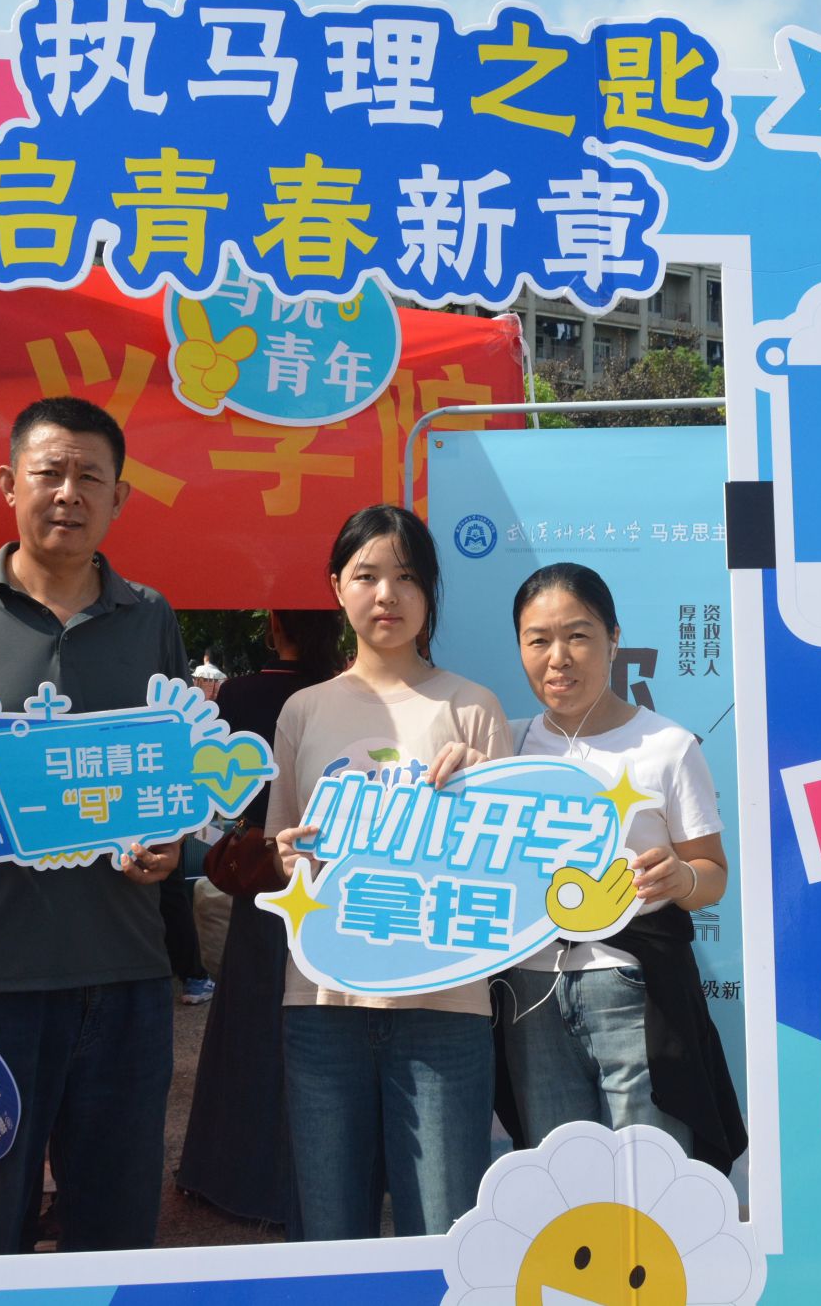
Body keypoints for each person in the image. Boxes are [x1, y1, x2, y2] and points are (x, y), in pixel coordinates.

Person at [0, 396, 188, 1254]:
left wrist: (170, 844)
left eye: (91, 477)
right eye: (49, 472)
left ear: (119, 497)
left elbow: (171, 775)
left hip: (124, 973)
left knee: (115, 1224)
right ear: (8, 483)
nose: (68, 493)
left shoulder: (150, 615)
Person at [269, 505, 511, 1240]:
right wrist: (288, 857)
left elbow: (513, 871)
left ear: (430, 591)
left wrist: (485, 792)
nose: (387, 595)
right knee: (330, 1232)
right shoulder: (303, 711)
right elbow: (282, 849)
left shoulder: (473, 708)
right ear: (336, 587)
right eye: (366, 576)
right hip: (322, 1003)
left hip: (445, 1006)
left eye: (407, 577)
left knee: (443, 1233)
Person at [496, 562, 747, 1174]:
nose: (558, 658)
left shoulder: (667, 746)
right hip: (528, 992)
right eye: (538, 640)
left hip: (631, 988)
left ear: (613, 639)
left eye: (578, 635)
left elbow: (711, 873)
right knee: (562, 1182)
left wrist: (682, 878)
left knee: (647, 1182)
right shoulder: (505, 747)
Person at [177, 608, 345, 1229]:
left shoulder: (242, 694)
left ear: (275, 626)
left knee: (249, 1033)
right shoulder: (342, 695)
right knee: (324, 1041)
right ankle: (318, 1184)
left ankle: (230, 1175)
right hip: (335, 887)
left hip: (265, 879)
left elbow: (219, 792)